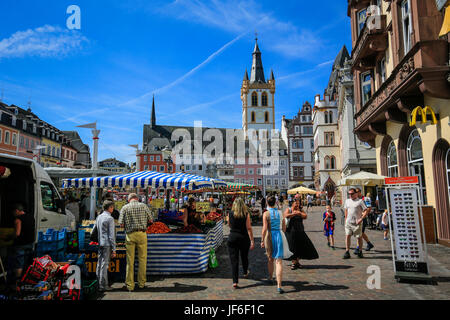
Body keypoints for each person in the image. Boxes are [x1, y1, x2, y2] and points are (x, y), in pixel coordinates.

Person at [119, 193, 153, 292]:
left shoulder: (125, 208)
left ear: (129, 199)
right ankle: (141, 283)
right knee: (142, 260)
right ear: (137, 199)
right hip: (142, 234)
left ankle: (130, 285)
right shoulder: (144, 206)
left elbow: (121, 224)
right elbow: (151, 220)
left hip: (130, 235)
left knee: (130, 261)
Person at [261, 196, 292, 294]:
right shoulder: (280, 213)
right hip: (279, 235)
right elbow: (284, 227)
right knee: (279, 261)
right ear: (275, 202)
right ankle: (279, 285)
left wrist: (262, 240)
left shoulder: (265, 213)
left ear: (267, 202)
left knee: (270, 258)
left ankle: (270, 277)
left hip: (270, 236)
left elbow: (264, 228)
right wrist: (281, 234)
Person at [284, 195, 319, 269]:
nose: (297, 205)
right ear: (292, 203)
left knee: (300, 247)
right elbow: (285, 215)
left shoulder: (301, 210)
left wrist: (299, 213)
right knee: (292, 247)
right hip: (291, 231)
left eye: (298, 203)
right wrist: (293, 214)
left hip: (300, 231)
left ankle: (297, 261)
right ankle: (294, 262)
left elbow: (305, 216)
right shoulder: (289, 209)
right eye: (296, 203)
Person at [227, 198, 255, 289]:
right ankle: (245, 272)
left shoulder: (230, 214)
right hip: (243, 237)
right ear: (243, 205)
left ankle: (235, 281)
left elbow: (229, 225)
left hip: (233, 238)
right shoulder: (246, 214)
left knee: (234, 260)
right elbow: (249, 228)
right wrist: (252, 240)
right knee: (244, 256)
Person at [343, 188, 371, 259]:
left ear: (356, 194)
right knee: (347, 236)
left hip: (357, 223)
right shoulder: (347, 201)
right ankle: (347, 251)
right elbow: (346, 210)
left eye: (352, 193)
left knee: (359, 237)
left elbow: (366, 210)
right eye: (349, 194)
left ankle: (360, 251)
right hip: (349, 223)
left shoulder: (360, 201)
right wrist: (346, 219)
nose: (350, 195)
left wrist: (361, 219)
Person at [96, 200, 116, 292]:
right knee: (104, 264)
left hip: (100, 242)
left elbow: (95, 230)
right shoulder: (110, 219)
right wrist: (114, 249)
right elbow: (111, 235)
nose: (113, 208)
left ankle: (98, 283)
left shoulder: (99, 217)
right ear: (109, 208)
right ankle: (103, 285)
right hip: (107, 244)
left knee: (100, 264)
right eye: (112, 207)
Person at [11, 203, 35, 280]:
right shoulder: (31, 217)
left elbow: (17, 233)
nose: (13, 214)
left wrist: (9, 237)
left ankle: (18, 282)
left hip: (20, 245)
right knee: (27, 263)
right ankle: (26, 279)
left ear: (17, 211)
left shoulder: (18, 220)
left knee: (19, 264)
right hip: (30, 243)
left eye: (14, 212)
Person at [355, 188, 375, 253]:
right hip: (357, 218)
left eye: (357, 192)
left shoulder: (365, 199)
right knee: (361, 233)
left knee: (359, 233)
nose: (355, 193)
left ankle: (358, 248)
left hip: (363, 218)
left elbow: (369, 208)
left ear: (360, 192)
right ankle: (369, 244)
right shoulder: (356, 199)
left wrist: (364, 214)